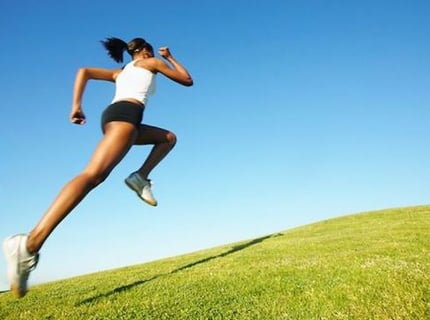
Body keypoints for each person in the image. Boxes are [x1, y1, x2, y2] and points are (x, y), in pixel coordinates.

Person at [3, 37, 193, 298]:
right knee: (93, 175)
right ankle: (29, 244)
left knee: (167, 138)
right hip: (126, 117)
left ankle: (140, 177)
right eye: (150, 51)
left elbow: (84, 71)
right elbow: (186, 79)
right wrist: (170, 57)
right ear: (145, 51)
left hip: (121, 118)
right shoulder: (151, 63)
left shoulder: (121, 72)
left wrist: (76, 106)